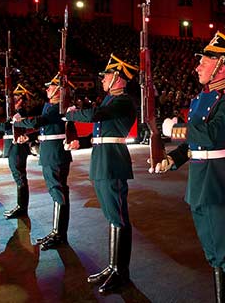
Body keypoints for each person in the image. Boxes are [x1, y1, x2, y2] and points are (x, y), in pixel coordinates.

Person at [151, 32, 225, 302]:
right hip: (199, 185)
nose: (197, 67)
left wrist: (177, 129)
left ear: (221, 65)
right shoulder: (200, 99)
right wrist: (173, 159)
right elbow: (194, 143)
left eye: (203, 62)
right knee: (213, 253)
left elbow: (211, 134)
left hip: (220, 186)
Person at [65, 54, 136, 294]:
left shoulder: (123, 100)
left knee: (118, 217)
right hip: (102, 160)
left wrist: (72, 113)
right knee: (111, 216)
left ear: (118, 77)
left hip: (113, 162)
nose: (103, 79)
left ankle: (121, 272)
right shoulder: (109, 100)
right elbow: (98, 125)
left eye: (107, 75)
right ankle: (113, 266)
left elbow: (95, 116)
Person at [12, 75, 78, 250]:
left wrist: (20, 122)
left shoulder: (58, 107)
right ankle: (56, 231)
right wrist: (29, 134)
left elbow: (41, 121)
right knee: (55, 191)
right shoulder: (50, 106)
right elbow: (43, 127)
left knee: (58, 191)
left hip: (55, 154)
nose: (47, 89)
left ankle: (60, 234)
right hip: (50, 152)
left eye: (51, 87)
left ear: (59, 90)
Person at [0, 84, 35, 218]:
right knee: (18, 176)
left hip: (18, 147)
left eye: (16, 97)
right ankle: (20, 206)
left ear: (21, 100)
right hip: (12, 146)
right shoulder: (12, 112)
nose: (12, 99)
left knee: (20, 177)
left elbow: (8, 125)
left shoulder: (20, 113)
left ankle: (22, 207)